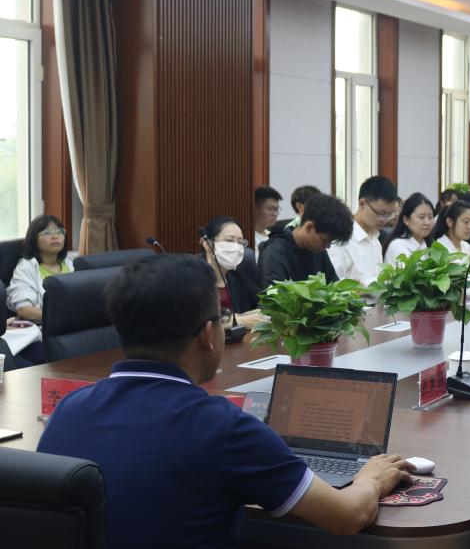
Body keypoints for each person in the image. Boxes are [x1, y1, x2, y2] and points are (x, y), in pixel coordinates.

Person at [36, 255, 412, 548]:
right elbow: (347, 516)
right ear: (208, 334)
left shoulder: (69, 409)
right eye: (222, 319)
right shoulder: (224, 427)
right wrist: (371, 479)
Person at [258, 193, 352, 288]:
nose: (327, 247)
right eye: (324, 241)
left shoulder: (318, 250)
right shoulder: (274, 254)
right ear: (309, 227)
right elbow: (273, 295)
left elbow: (333, 285)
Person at [329, 176, 399, 287]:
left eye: (389, 214)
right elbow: (331, 282)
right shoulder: (341, 240)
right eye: (381, 213)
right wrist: (358, 287)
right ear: (362, 203)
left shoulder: (375, 239)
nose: (385, 220)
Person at [199, 216, 263, 329]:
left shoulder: (237, 276)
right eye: (229, 241)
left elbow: (263, 301)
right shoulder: (194, 279)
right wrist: (239, 320)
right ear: (208, 244)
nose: (236, 247)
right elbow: (197, 323)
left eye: (240, 242)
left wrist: (249, 316)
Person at [6, 215, 73, 323]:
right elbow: (24, 310)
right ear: (34, 239)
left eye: (59, 232)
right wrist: (62, 319)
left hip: (75, 326)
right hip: (44, 327)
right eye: (47, 232)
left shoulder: (70, 264)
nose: (55, 236)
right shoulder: (26, 268)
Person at [383, 193, 434, 266]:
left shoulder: (428, 246)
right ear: (406, 220)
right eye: (421, 217)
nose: (427, 222)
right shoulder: (397, 246)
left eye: (430, 217)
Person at [253, 186, 282, 257]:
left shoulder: (272, 236)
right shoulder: (248, 238)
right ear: (255, 209)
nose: (275, 214)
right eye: (270, 209)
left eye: (276, 209)